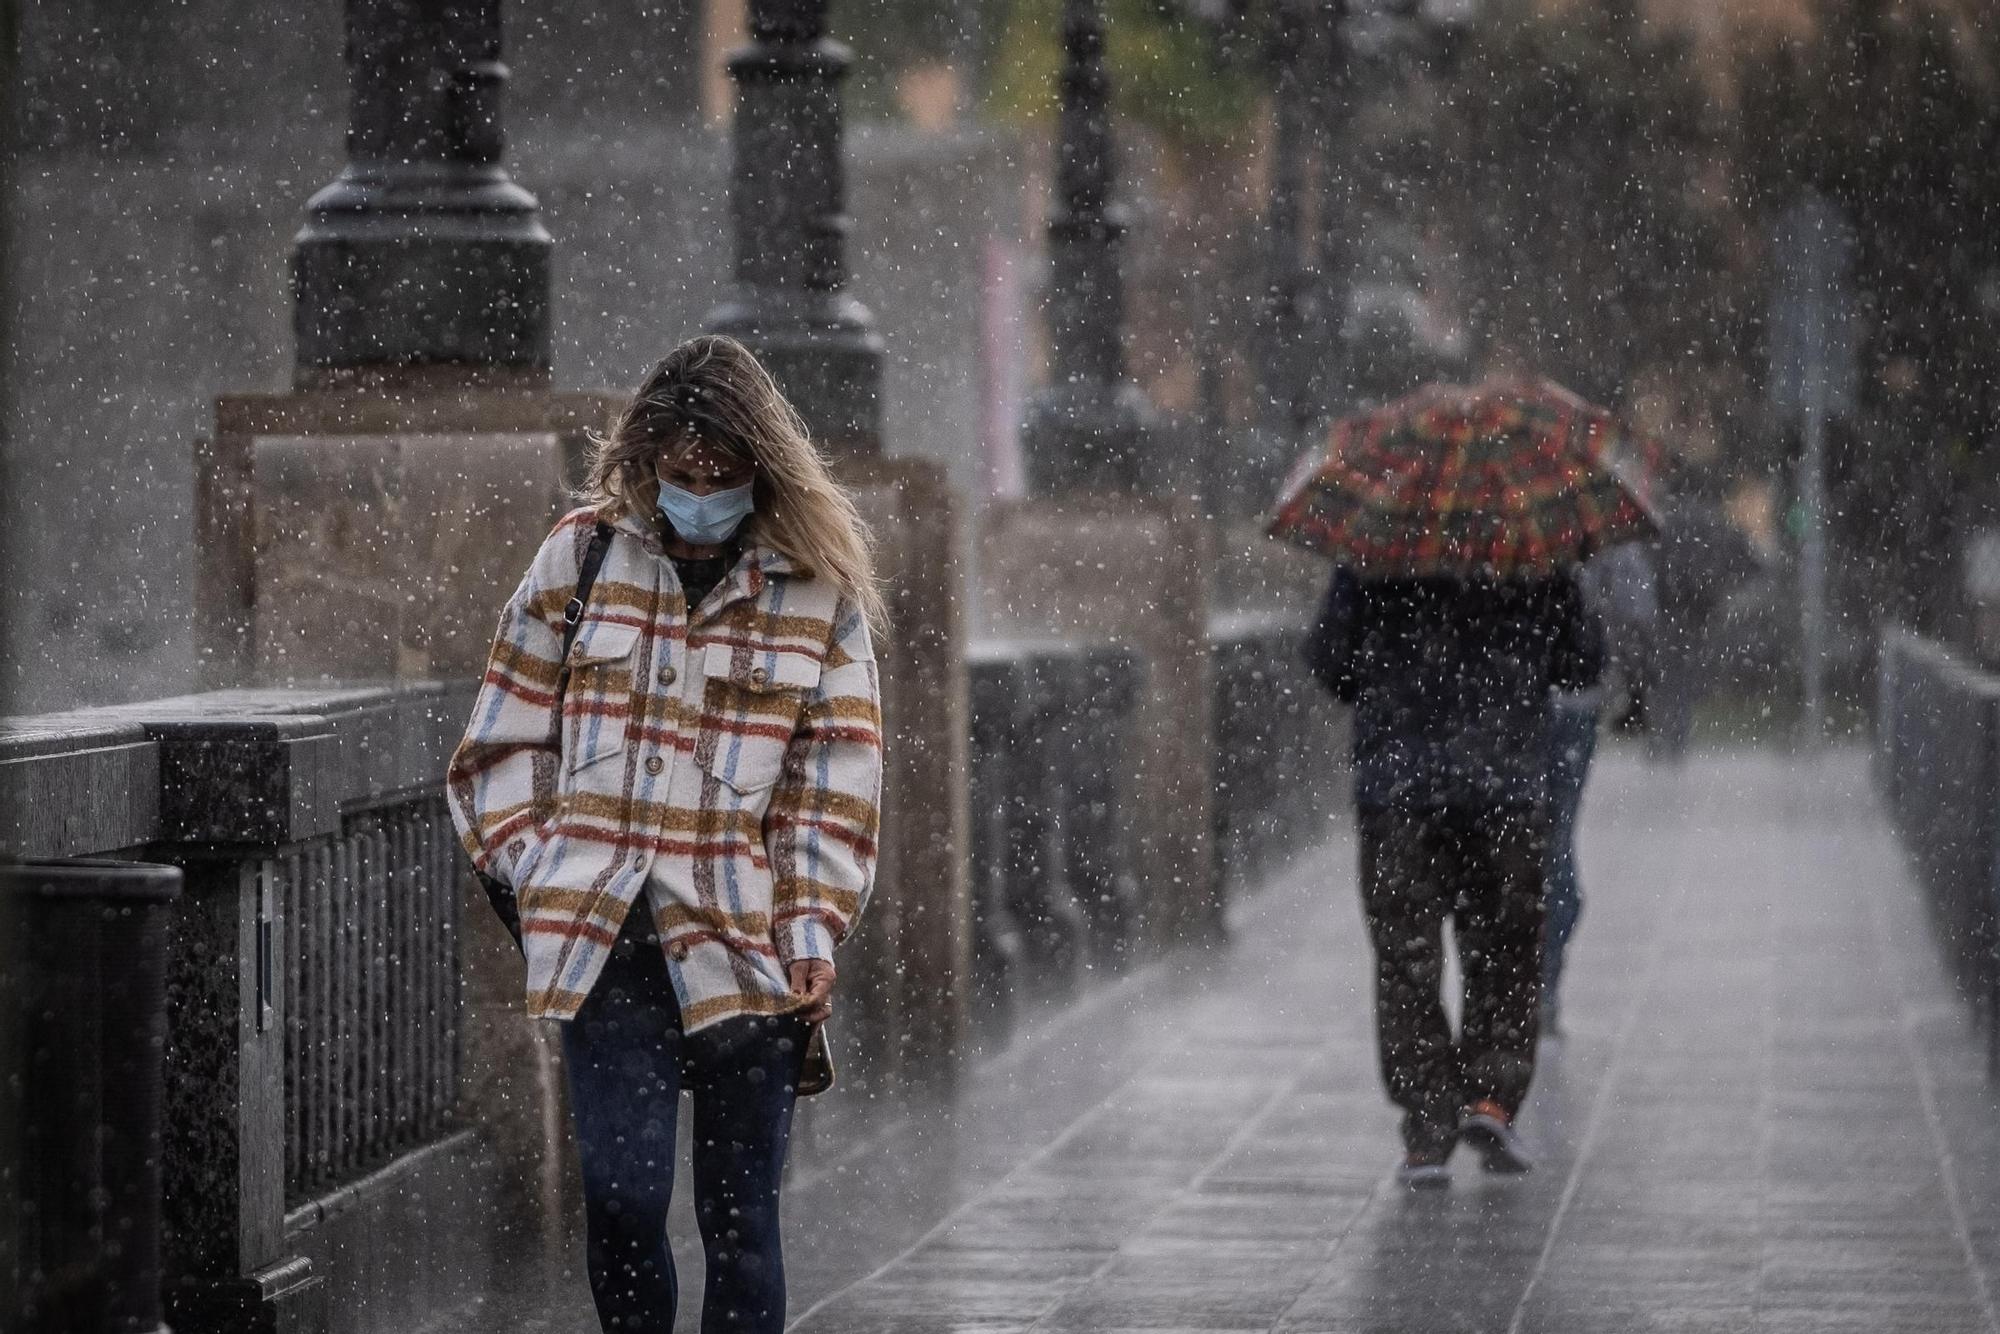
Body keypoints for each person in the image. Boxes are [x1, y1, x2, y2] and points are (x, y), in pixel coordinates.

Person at [446, 335, 885, 1333]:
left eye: (718, 477)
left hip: (749, 946)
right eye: (678, 475)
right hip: (607, 945)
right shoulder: (581, 553)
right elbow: (497, 743)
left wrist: (811, 924)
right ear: (647, 462)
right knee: (623, 1198)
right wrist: (536, 873)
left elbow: (835, 775)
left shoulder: (814, 591)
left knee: (741, 1227)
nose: (695, 498)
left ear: (756, 473)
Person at [1305, 564, 1604, 1188]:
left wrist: (1393, 676)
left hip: (1398, 788)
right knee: (1505, 948)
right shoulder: (1530, 548)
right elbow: (1583, 664)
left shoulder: (1378, 549)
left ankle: (1427, 1124)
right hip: (1506, 784)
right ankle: (1492, 1098)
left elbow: (1330, 662)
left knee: (1405, 958)